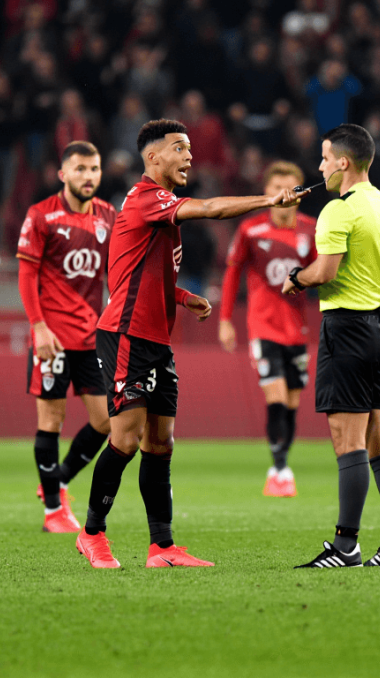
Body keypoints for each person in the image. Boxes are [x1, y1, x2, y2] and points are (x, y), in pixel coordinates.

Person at [76, 119, 303, 569]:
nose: (189, 156)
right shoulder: (147, 198)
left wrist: (181, 296)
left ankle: (161, 547)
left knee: (161, 443)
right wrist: (267, 200)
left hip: (155, 337)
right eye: (180, 148)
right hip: (125, 334)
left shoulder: (156, 212)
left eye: (190, 149)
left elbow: (127, 271)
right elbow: (213, 208)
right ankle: (92, 534)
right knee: (125, 438)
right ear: (153, 157)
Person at [282, 123, 380, 568]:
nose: (319, 166)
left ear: (343, 162)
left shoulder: (338, 211)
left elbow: (324, 272)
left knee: (348, 440)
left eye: (324, 158)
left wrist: (294, 278)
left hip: (349, 326)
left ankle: (346, 546)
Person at [17, 141, 117, 533]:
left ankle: (55, 481)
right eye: (79, 169)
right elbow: (27, 274)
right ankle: (54, 512)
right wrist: (38, 326)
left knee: (106, 420)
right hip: (52, 336)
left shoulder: (109, 216)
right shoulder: (41, 215)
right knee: (52, 420)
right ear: (63, 174)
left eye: (94, 169)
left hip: (93, 336)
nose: (88, 176)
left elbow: (116, 272)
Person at [219, 161, 318, 497]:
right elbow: (232, 274)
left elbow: (325, 274)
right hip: (263, 327)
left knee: (291, 402)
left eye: (291, 188)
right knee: (275, 398)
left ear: (301, 194)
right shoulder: (251, 229)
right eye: (277, 188)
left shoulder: (312, 230)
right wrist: (224, 320)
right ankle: (279, 469)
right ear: (267, 192)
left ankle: (281, 464)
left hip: (297, 330)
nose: (284, 195)